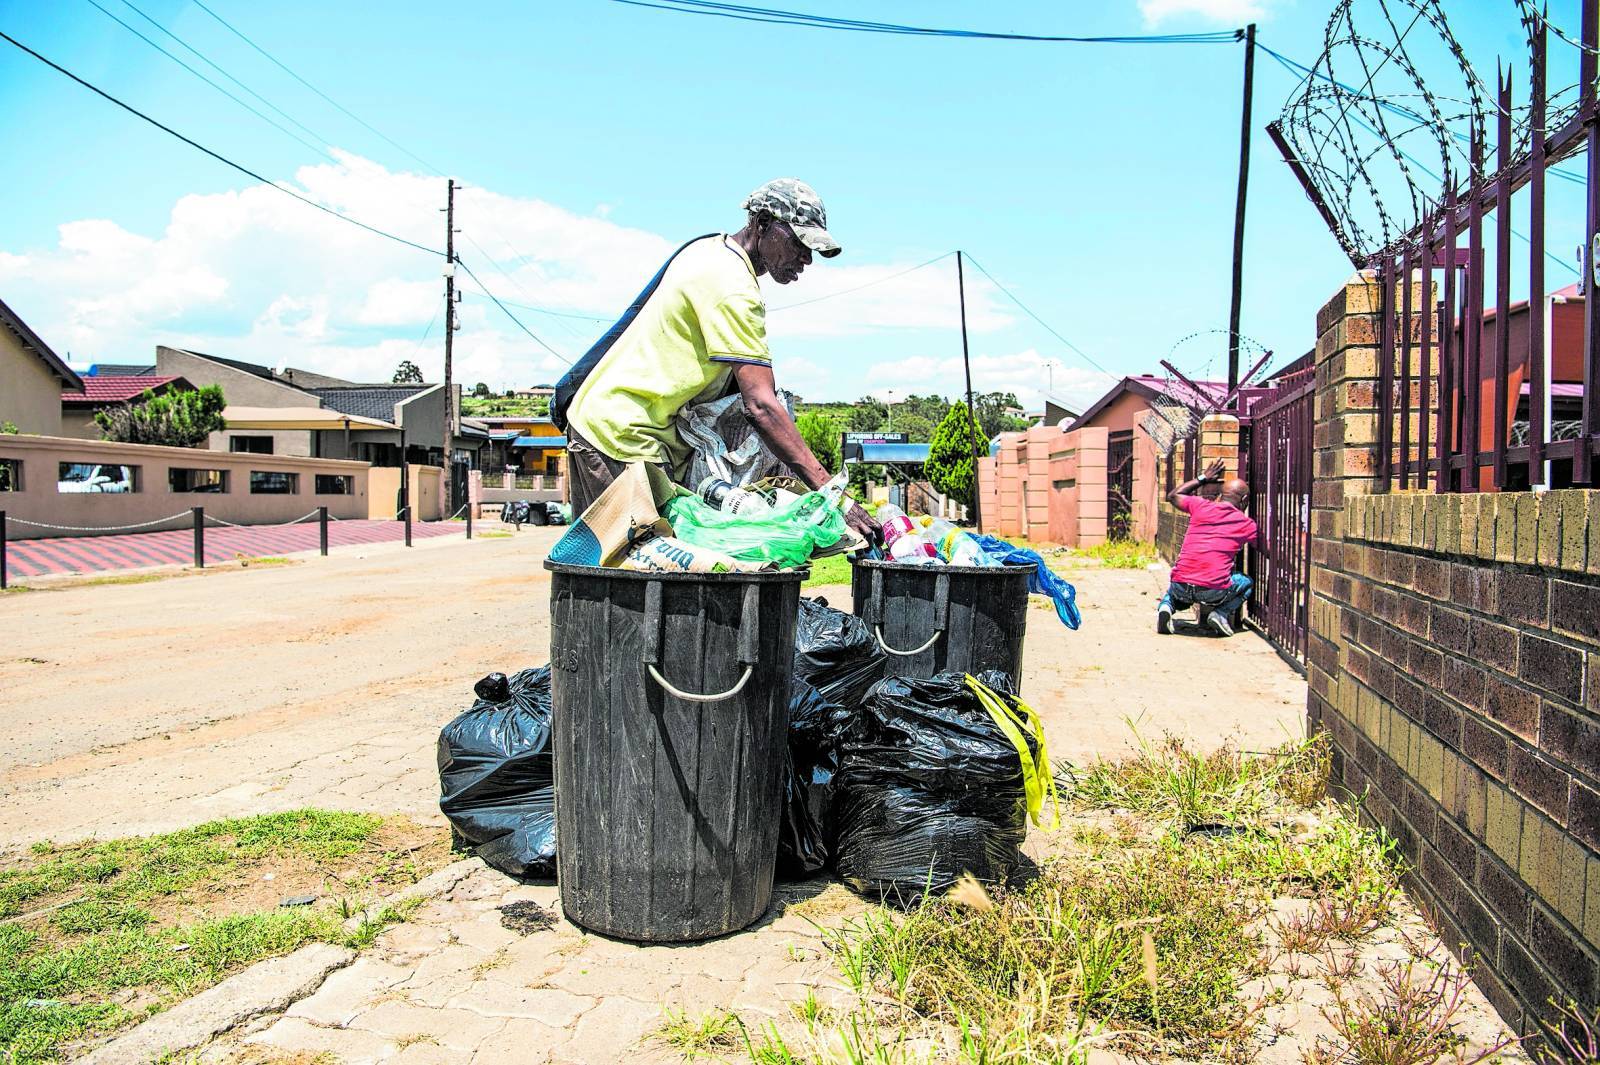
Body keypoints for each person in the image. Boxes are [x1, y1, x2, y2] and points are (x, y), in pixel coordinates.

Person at [554, 178, 879, 543]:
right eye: (799, 242)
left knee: (601, 565)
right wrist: (833, 495)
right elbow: (761, 406)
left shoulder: (709, 250)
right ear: (762, 223)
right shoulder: (734, 287)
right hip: (623, 437)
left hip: (606, 424)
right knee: (635, 568)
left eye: (811, 249)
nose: (806, 257)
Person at [1158, 458, 1257, 637]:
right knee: (1246, 582)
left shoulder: (1200, 506)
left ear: (1220, 495)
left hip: (1181, 586)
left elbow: (1173, 496)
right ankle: (1220, 614)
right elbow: (1266, 548)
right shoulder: (1246, 525)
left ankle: (1166, 607)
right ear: (1244, 500)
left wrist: (1203, 477)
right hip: (1212, 591)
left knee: (1175, 584)